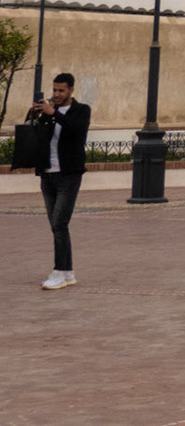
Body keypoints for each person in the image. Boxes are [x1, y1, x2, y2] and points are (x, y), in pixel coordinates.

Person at [26, 72, 90, 290]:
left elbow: (77, 130)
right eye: (54, 90)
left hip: (68, 175)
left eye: (61, 90)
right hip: (48, 174)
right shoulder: (48, 112)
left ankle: (58, 272)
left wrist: (54, 113)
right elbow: (34, 134)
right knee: (57, 226)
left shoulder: (81, 110)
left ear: (71, 90)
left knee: (59, 224)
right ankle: (68, 272)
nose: (57, 94)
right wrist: (35, 113)